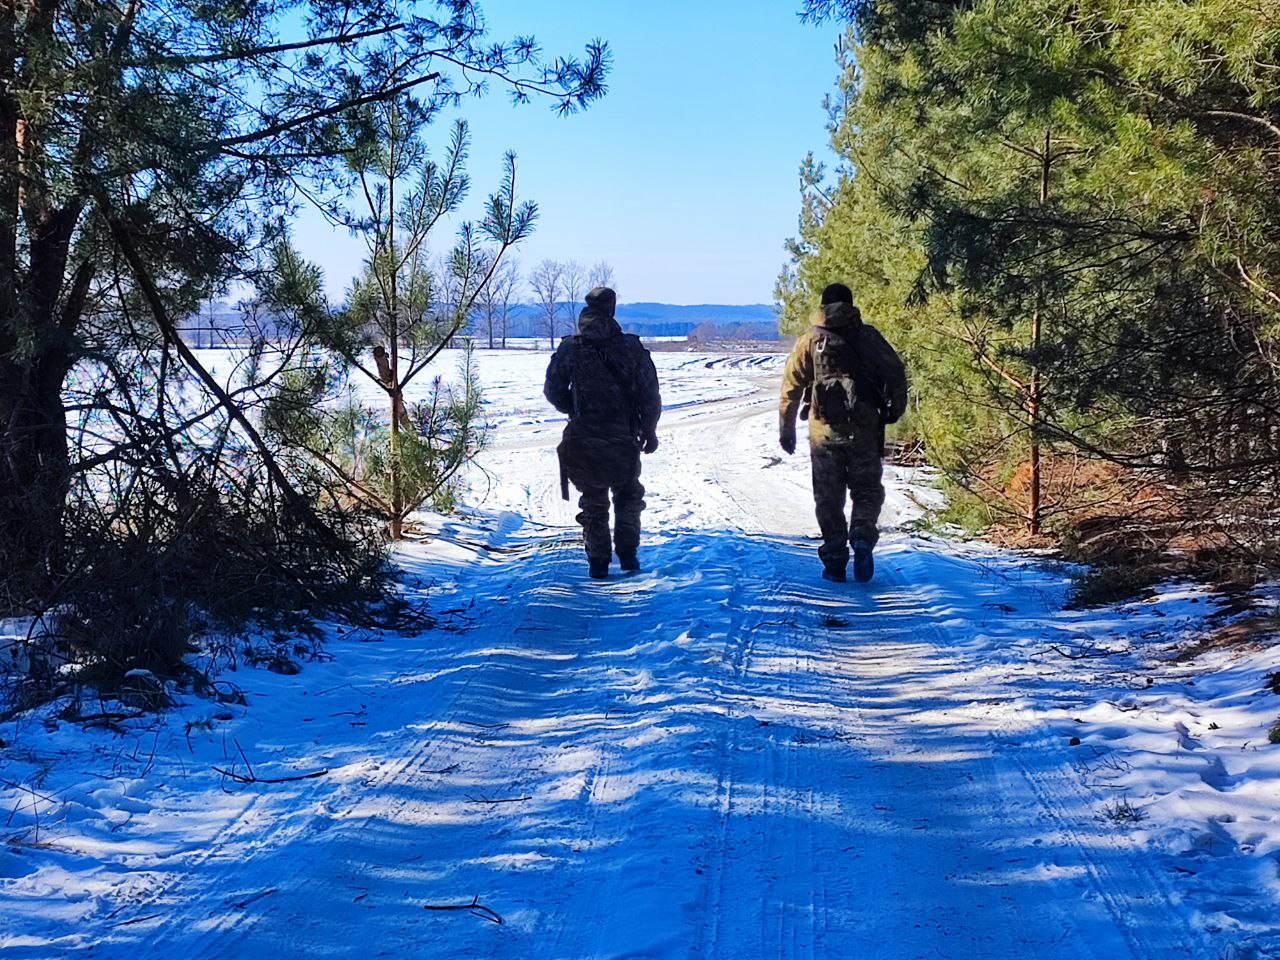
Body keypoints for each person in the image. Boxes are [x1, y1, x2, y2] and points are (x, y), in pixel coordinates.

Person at [779, 283, 908, 583]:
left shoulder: (810, 340)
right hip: (864, 428)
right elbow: (896, 374)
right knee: (866, 490)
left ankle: (835, 561)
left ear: (822, 307)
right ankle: (862, 537)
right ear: (850, 305)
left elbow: (791, 388)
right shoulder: (869, 336)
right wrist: (894, 410)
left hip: (823, 433)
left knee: (828, 497)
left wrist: (787, 430)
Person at [544, 287, 662, 579]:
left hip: (584, 435)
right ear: (612, 309)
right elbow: (650, 394)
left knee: (594, 498)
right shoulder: (631, 348)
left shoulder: (570, 349)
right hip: (624, 436)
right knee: (627, 495)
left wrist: (573, 409)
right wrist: (649, 429)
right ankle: (629, 556)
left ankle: (598, 562)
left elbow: (553, 390)